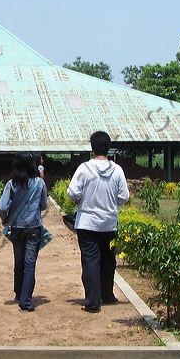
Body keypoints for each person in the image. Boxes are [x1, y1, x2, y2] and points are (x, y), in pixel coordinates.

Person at [67, 131, 130, 313]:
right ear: (108, 147)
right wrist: (112, 203)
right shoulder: (117, 170)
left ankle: (93, 302)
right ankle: (107, 295)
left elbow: (72, 193)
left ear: (92, 147)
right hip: (109, 223)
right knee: (108, 260)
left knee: (90, 261)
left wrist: (81, 200)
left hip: (87, 223)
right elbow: (124, 197)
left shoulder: (84, 168)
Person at [0, 152, 49, 312]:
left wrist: (4, 219)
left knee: (18, 262)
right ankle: (26, 301)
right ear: (32, 165)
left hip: (16, 228)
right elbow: (43, 205)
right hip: (33, 227)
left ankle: (19, 294)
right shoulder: (39, 183)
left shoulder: (11, 184)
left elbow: (3, 207)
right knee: (29, 264)